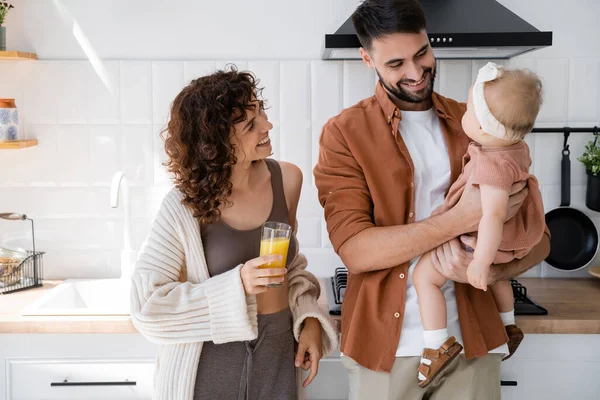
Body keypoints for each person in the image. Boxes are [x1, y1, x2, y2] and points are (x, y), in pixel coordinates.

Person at [313, 0, 550, 399]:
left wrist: (490, 271)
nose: (415, 72)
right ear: (367, 58)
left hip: (474, 341)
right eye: (396, 64)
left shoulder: (478, 121)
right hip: (386, 351)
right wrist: (463, 218)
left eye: (422, 53)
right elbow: (356, 250)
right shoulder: (344, 134)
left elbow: (539, 238)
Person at [130, 67, 338, 400]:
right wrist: (237, 285)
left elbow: (291, 269)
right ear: (217, 142)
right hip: (211, 361)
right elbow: (147, 310)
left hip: (279, 353)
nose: (267, 126)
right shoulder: (184, 207)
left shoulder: (288, 180)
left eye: (262, 112)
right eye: (250, 125)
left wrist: (309, 319)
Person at [412, 62, 545, 387]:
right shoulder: (516, 148)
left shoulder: (491, 166)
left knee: (424, 277)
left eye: (471, 109)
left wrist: (481, 261)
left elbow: (492, 216)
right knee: (497, 279)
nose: (464, 112)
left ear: (486, 129)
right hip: (510, 244)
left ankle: (436, 344)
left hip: (481, 242)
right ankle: (509, 325)